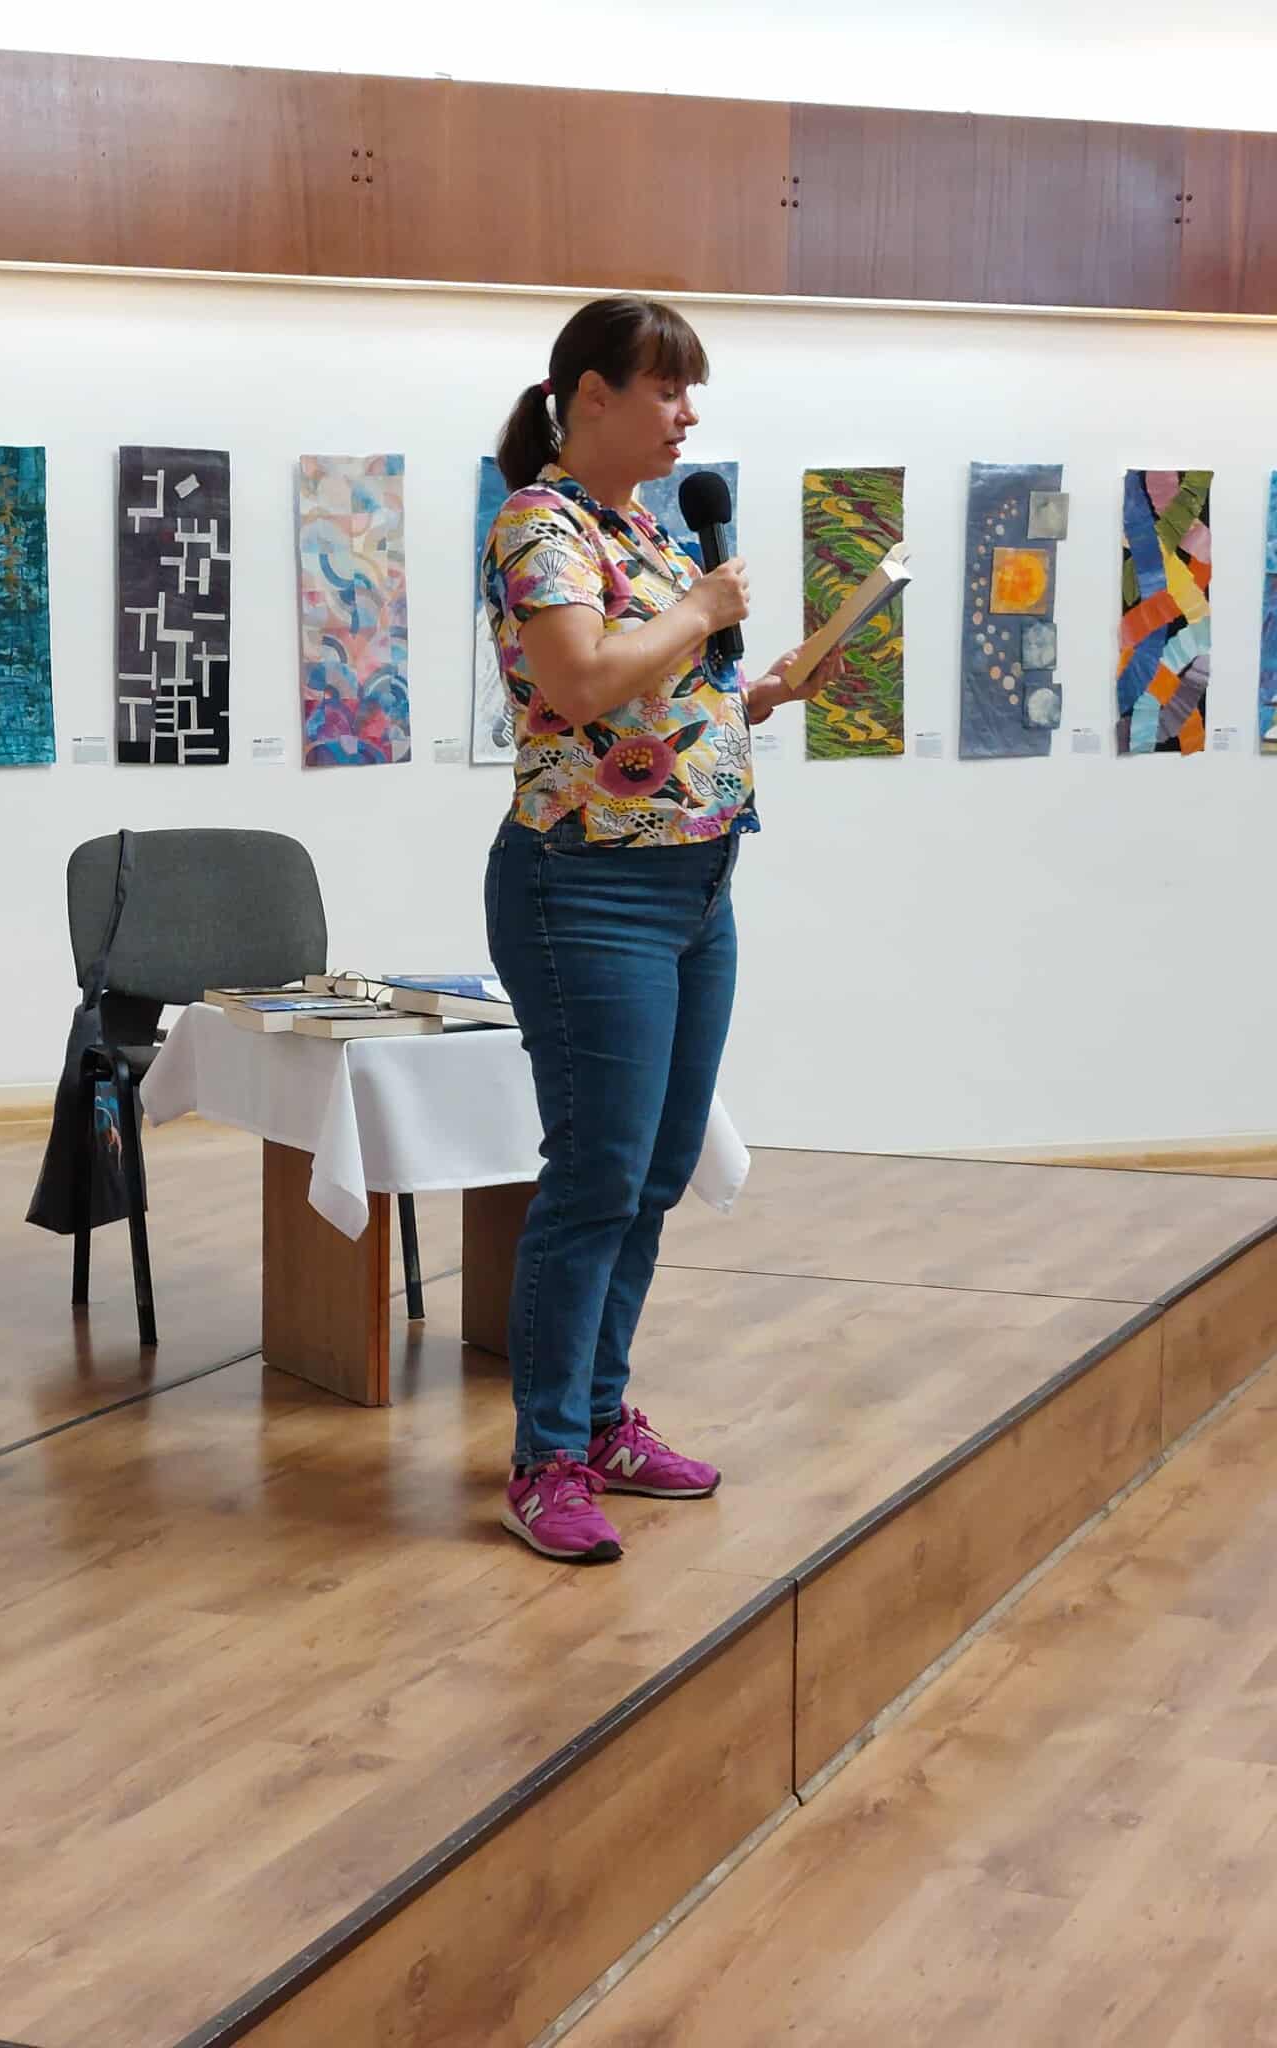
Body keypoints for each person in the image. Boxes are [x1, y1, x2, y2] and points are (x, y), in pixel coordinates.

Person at [481, 294, 841, 1564]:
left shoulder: (641, 525)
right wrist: (701, 609)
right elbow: (578, 680)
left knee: (655, 1167)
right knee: (595, 1172)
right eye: (667, 389)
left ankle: (599, 1417)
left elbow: (649, 699)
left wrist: (762, 691)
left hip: (695, 885)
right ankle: (545, 1460)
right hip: (586, 887)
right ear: (591, 396)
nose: (688, 416)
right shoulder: (541, 523)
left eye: (692, 392)